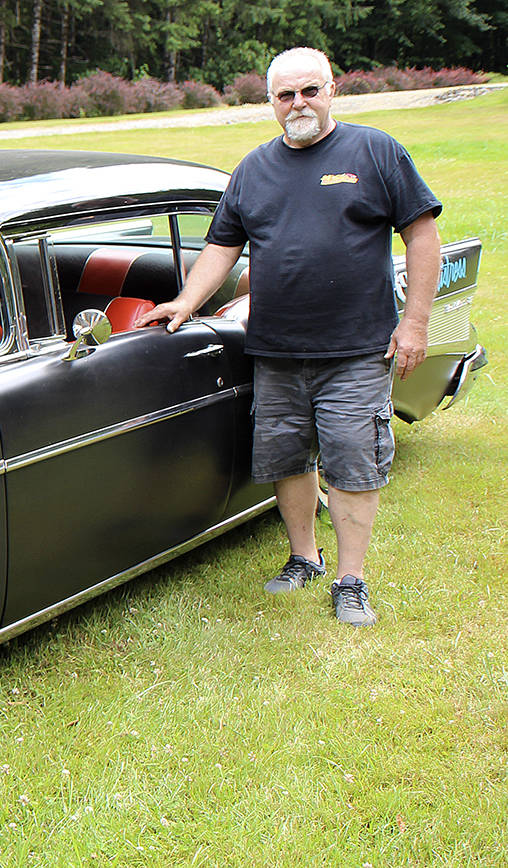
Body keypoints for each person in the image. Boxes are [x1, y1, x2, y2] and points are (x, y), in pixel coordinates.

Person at [136, 46, 442, 626]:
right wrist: (183, 302)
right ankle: (305, 557)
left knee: (353, 463)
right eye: (285, 95)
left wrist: (416, 324)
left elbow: (421, 236)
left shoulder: (375, 151)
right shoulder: (253, 169)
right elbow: (223, 247)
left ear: (332, 90)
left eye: (309, 90)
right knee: (287, 459)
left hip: (356, 349)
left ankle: (352, 580)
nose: (297, 103)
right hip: (275, 351)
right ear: (270, 101)